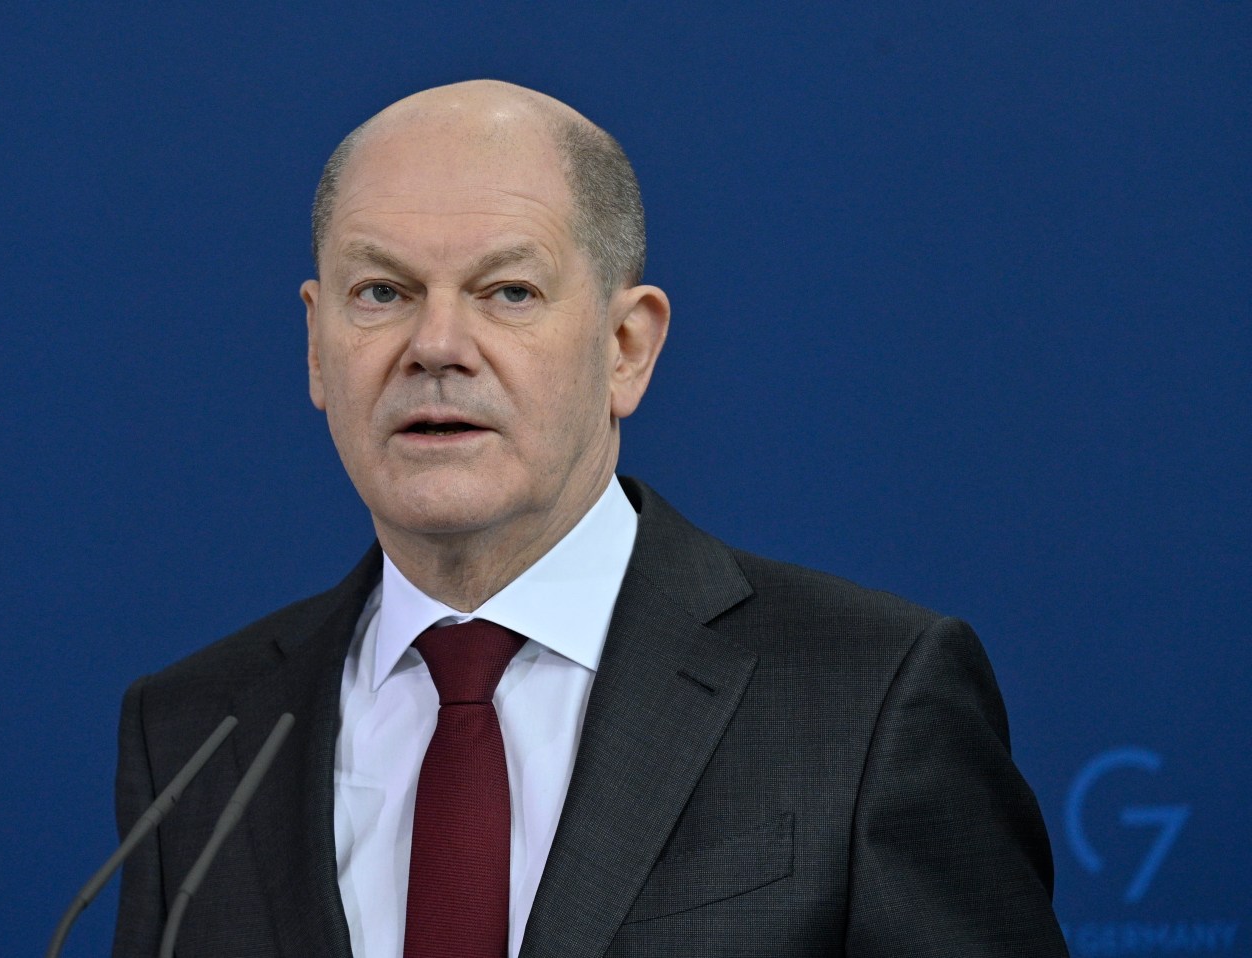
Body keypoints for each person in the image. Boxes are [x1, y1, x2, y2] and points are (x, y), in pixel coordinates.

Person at [111, 79, 1069, 957]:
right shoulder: (199, 736)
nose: (436, 345)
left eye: (509, 292)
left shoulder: (867, 698)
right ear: (318, 348)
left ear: (626, 346)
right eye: (382, 293)